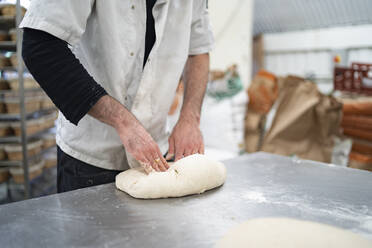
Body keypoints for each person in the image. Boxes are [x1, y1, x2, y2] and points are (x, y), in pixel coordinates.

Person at [20, 0, 214, 193]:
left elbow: (198, 50)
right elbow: (40, 46)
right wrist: (123, 121)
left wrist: (190, 118)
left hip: (157, 153)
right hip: (91, 160)